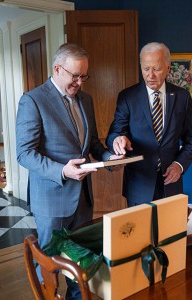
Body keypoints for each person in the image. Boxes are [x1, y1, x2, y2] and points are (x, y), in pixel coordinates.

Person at [16, 43, 121, 299]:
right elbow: (24, 153)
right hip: (52, 200)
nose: (80, 82)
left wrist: (109, 156)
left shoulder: (86, 100)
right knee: (50, 266)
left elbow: (92, 142)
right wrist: (62, 171)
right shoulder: (33, 100)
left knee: (79, 264)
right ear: (57, 69)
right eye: (75, 75)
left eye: (84, 76)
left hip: (83, 199)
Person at [107, 42, 192, 206]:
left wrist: (179, 165)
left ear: (168, 68)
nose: (150, 75)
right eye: (146, 69)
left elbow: (191, 140)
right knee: (140, 232)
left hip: (171, 184)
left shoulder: (182, 97)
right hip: (138, 184)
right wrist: (117, 140)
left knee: (171, 232)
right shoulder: (127, 97)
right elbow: (114, 133)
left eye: (156, 69)